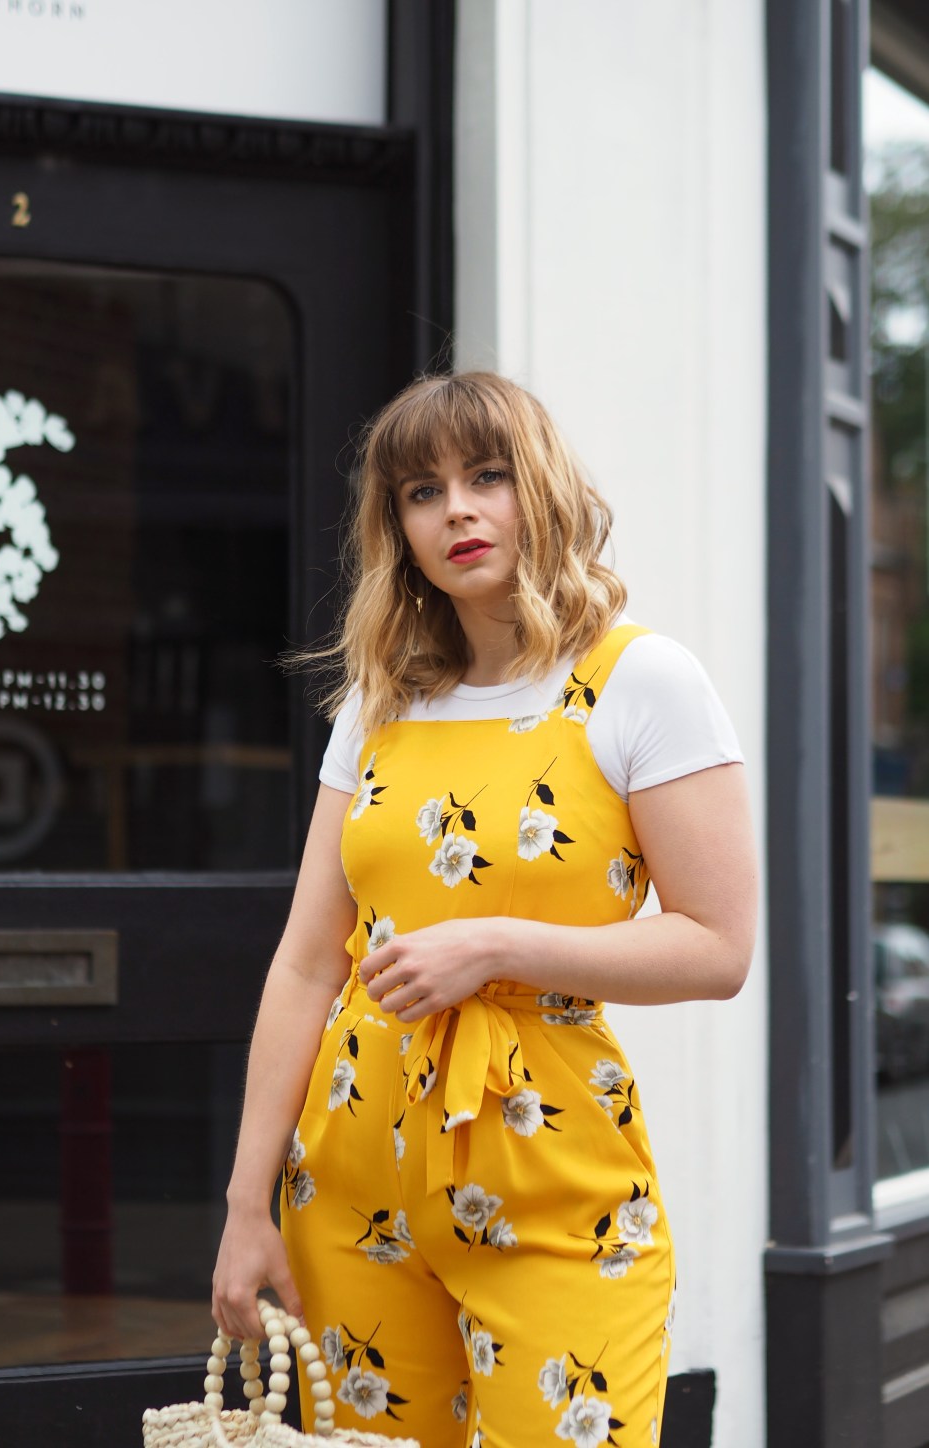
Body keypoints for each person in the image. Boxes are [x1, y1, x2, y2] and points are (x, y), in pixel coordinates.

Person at [211, 372, 756, 1448]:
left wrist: (497, 943)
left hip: (551, 1166)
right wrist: (243, 1203)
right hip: (357, 1166)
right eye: (421, 491)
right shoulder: (380, 703)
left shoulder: (641, 679)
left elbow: (719, 945)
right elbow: (306, 965)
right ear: (398, 530)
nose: (455, 507)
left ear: (538, 490)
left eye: (486, 476)